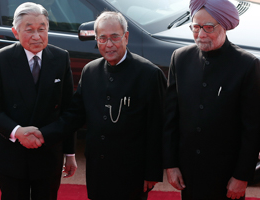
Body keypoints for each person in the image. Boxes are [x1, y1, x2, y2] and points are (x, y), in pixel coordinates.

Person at [24, 11, 166, 200]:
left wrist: (152, 172)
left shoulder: (149, 74)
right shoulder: (91, 71)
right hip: (98, 169)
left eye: (115, 37)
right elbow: (74, 115)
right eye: (102, 38)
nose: (109, 44)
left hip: (132, 172)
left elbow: (157, 126)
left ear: (126, 37)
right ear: (97, 40)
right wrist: (44, 133)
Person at [163, 0, 260, 199]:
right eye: (196, 27)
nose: (201, 34)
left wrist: (242, 176)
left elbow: (253, 128)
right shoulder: (180, 59)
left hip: (226, 176)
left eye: (208, 28)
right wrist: (171, 164)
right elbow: (170, 118)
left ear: (224, 26)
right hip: (189, 173)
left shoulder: (248, 65)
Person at [0, 2, 77, 200]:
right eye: (29, 30)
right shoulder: (1, 59)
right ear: (15, 32)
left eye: (42, 29)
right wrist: (17, 132)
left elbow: (69, 110)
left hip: (49, 150)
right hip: (13, 152)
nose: (37, 35)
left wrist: (69, 153)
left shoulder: (60, 58)